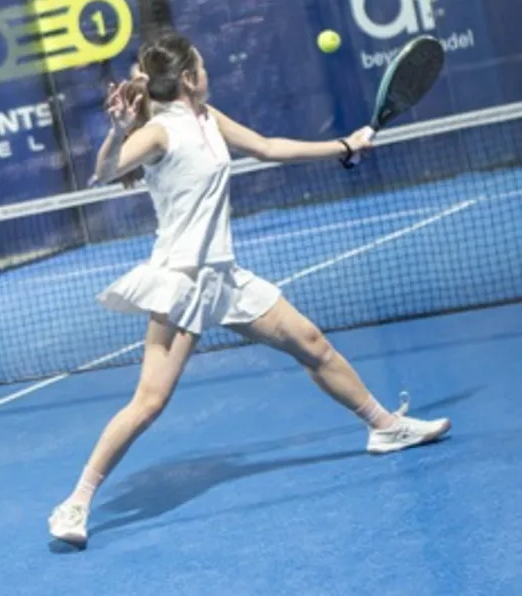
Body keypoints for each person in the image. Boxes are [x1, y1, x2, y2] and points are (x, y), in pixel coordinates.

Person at [49, 32, 451, 548]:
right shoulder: (160, 132)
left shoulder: (208, 118)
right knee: (148, 402)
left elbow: (268, 147)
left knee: (312, 344)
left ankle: (384, 426)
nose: (207, 70)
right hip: (183, 282)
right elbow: (105, 172)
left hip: (226, 278)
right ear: (188, 78)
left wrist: (343, 145)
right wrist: (117, 132)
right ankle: (76, 502)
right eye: (201, 65)